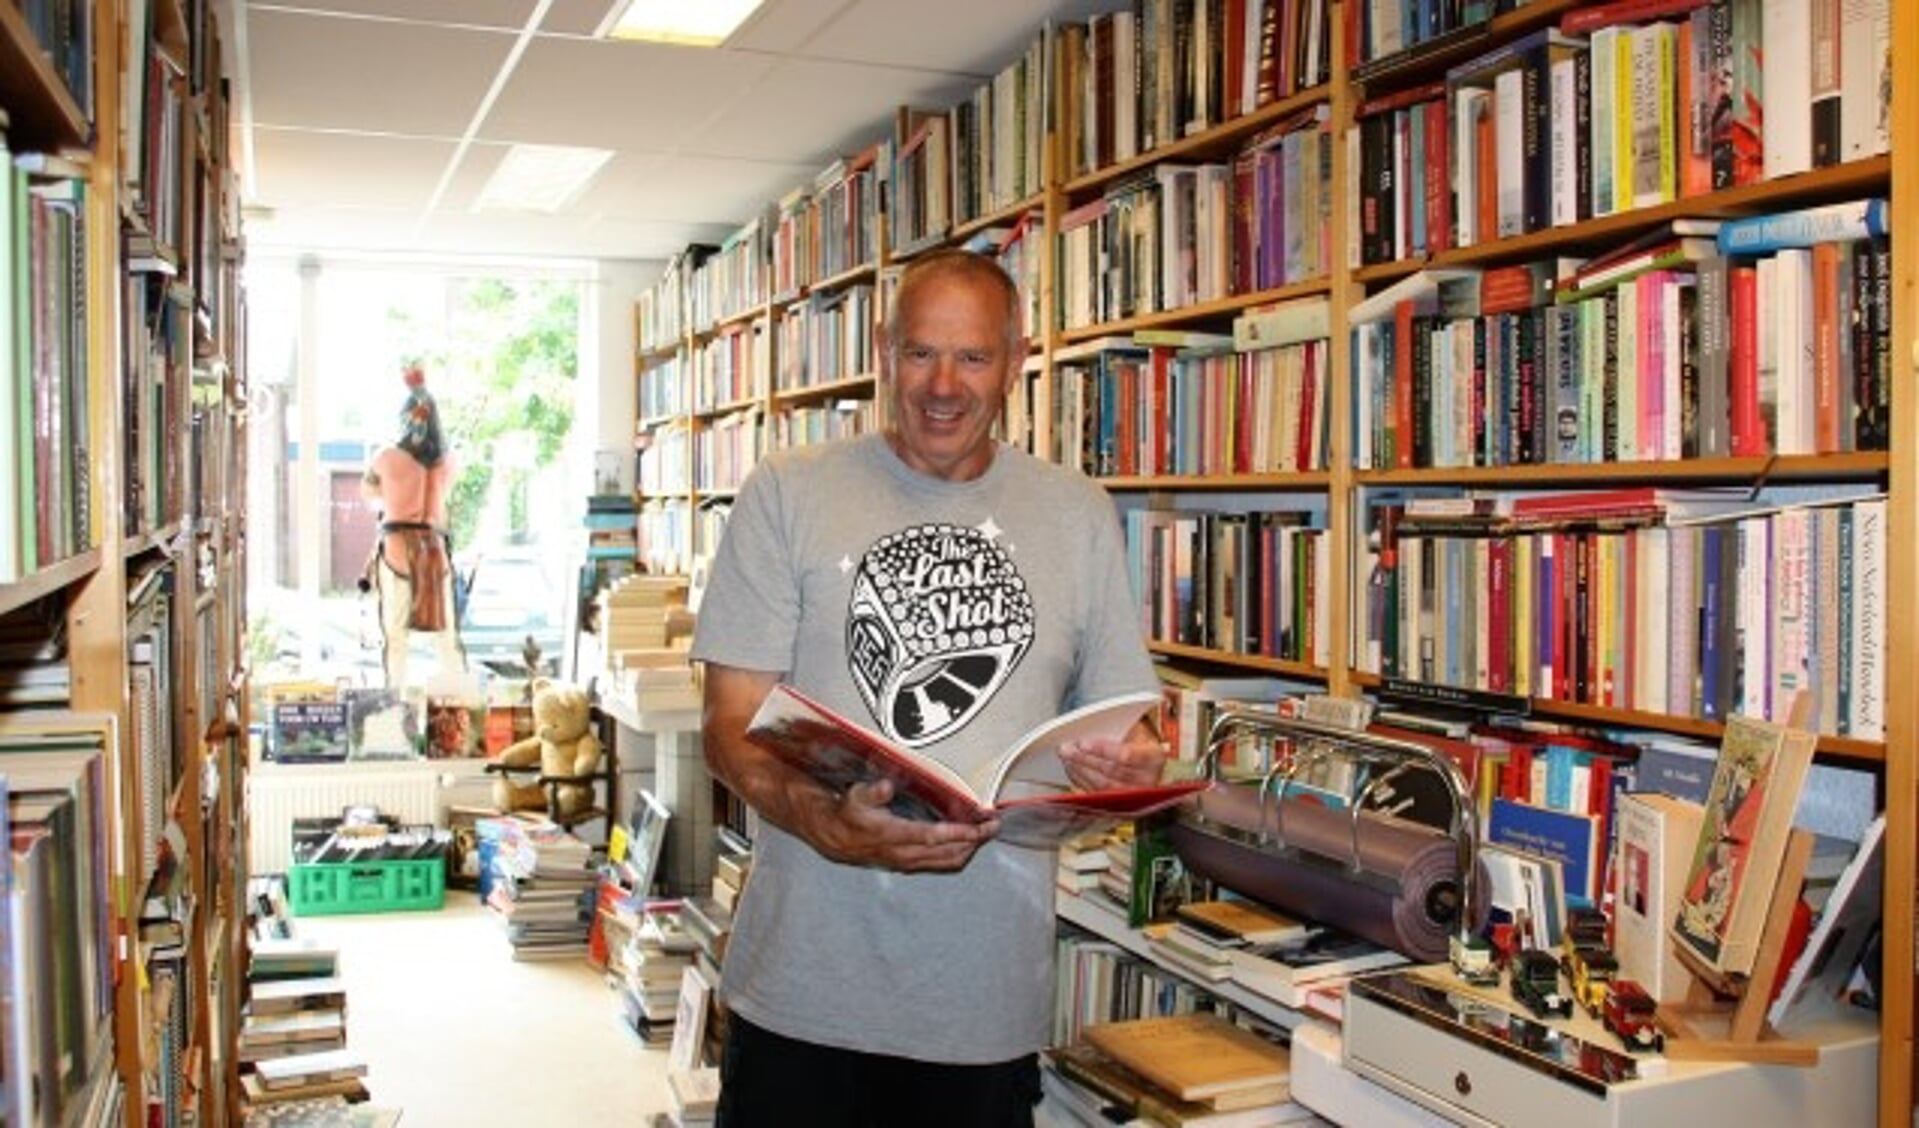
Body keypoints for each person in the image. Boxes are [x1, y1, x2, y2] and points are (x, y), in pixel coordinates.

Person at [691, 249, 1166, 1127]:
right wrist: (819, 818)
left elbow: (1124, 730)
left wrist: (1126, 768)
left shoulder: (1077, 513)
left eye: (973, 357)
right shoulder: (786, 493)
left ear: (1015, 363)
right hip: (803, 992)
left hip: (980, 1009)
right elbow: (726, 728)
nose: (943, 385)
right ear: (882, 351)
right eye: (920, 354)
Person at [361, 361, 465, 688]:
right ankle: (455, 702)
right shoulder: (448, 462)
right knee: (446, 638)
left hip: (396, 551)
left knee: (395, 638)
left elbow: (369, 492)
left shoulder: (385, 458)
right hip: (434, 553)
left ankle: (396, 702)